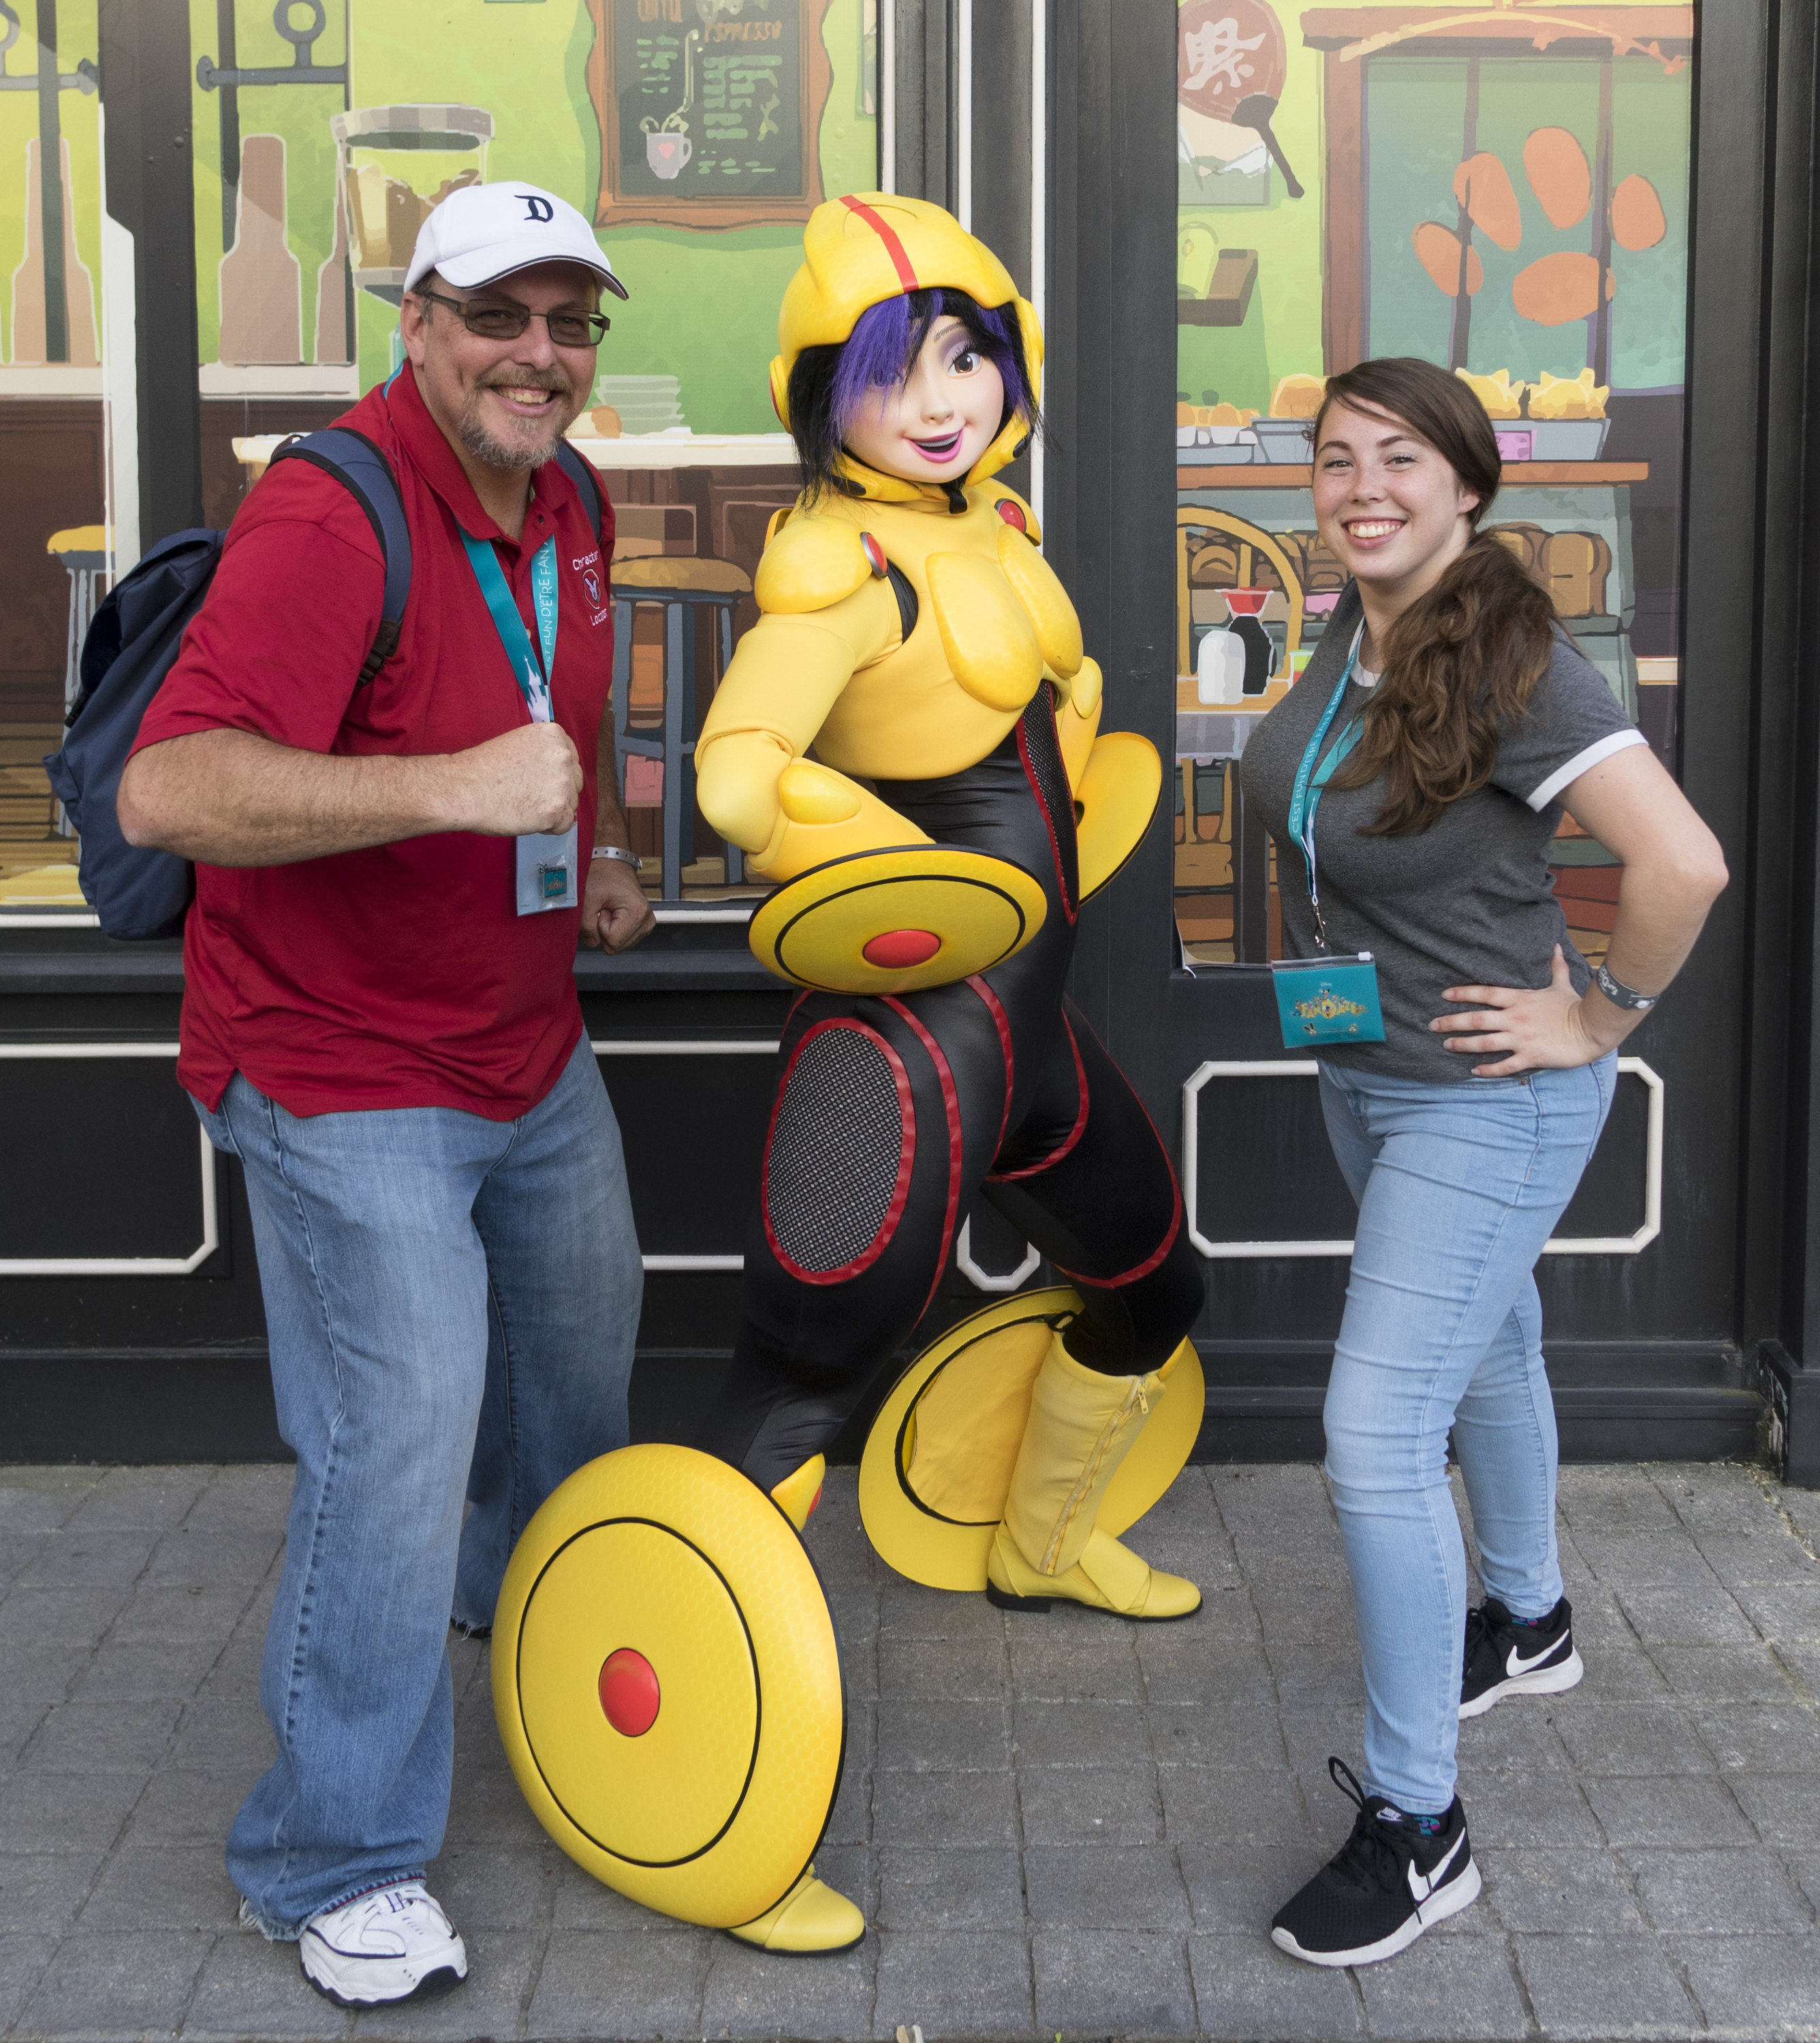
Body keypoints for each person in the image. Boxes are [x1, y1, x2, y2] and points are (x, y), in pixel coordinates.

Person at [116, 181, 655, 2010]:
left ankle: (507, 1656)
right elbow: (168, 794)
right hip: (342, 1069)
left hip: (527, 1040)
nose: (543, 355)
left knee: (574, 1399)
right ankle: (328, 1855)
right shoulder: (329, 511)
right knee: (400, 1443)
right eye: (502, 315)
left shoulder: (571, 500)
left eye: (573, 322)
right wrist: (449, 791)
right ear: (415, 318)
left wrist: (595, 853)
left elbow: (554, 728)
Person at [685, 193, 1206, 1939]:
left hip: (1030, 1038)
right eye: (895, 368)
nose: (941, 395)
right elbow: (735, 779)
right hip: (903, 1045)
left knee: (1148, 1285)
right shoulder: (839, 569)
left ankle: (1036, 1542)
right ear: (822, 389)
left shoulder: (997, 528)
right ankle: (691, 1777)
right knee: (800, 1383)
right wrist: (885, 858)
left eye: (970, 354)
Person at [1234, 356, 1726, 1967]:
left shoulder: (1519, 660)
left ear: (1466, 484)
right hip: (1371, 1077)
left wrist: (1600, 1015)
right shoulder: (1356, 626)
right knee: (1491, 1338)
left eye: (1397, 461)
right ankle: (1528, 1622)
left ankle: (1418, 1827)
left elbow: (1681, 861)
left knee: (1374, 1437)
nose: (1360, 487)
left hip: (1484, 1100)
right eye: (1333, 461)